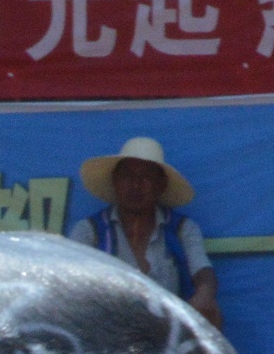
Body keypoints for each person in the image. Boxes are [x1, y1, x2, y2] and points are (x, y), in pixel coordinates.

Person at [68, 135, 220, 327]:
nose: (136, 185)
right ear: (115, 181)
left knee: (212, 313)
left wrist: (204, 295)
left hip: (167, 333)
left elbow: (202, 269)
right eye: (127, 176)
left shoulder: (182, 229)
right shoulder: (89, 230)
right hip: (109, 333)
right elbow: (69, 283)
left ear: (161, 186)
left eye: (146, 177)